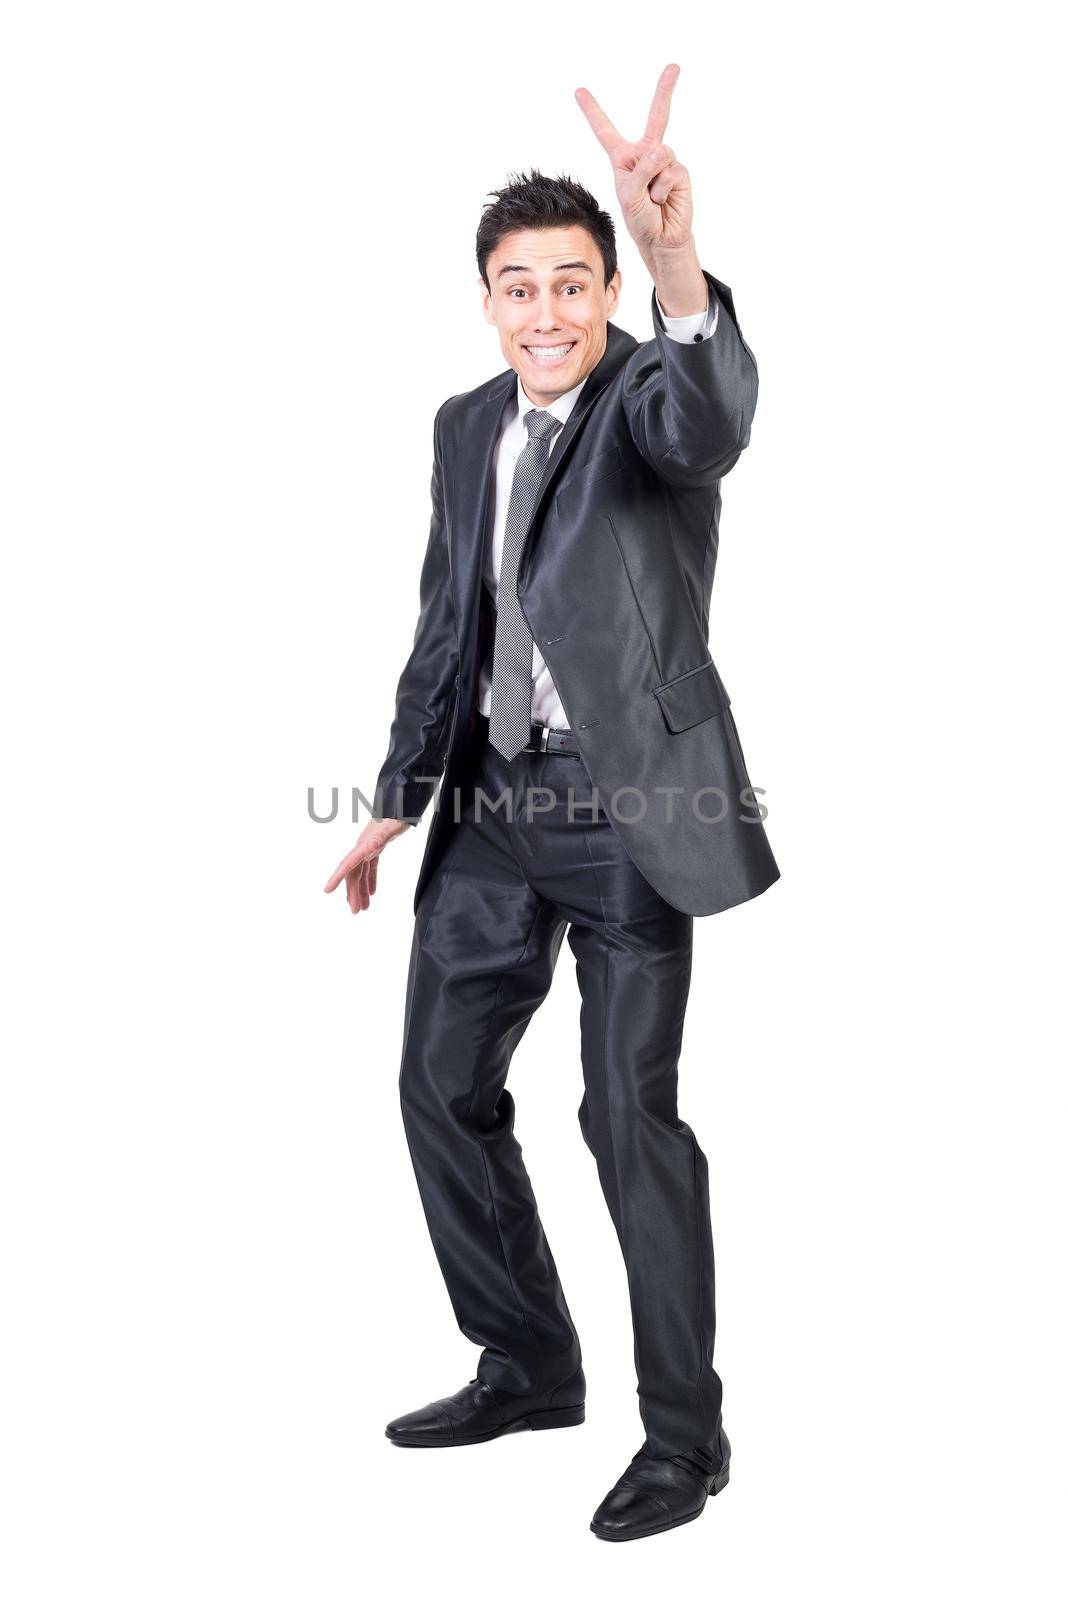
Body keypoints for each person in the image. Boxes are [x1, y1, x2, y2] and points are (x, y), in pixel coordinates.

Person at [324, 63, 779, 1542]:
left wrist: (673, 267)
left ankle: (686, 1440)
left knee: (624, 1118)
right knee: (436, 1088)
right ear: (486, 300)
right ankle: (526, 1360)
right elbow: (446, 618)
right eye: (518, 288)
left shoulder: (652, 398)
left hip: (634, 816)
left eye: (571, 287)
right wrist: (397, 800)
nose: (544, 314)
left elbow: (710, 410)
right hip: (495, 817)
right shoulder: (465, 425)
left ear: (601, 297)